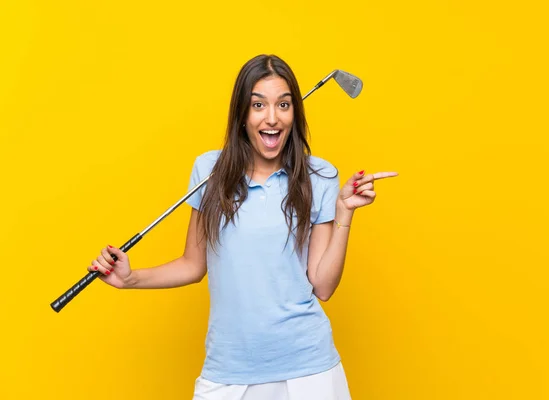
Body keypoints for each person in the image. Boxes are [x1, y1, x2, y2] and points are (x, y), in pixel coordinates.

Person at [87, 54, 397, 400]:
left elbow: (322, 286)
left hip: (308, 369)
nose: (272, 117)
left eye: (283, 104)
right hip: (228, 370)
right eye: (258, 105)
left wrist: (344, 211)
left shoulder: (319, 175)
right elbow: (193, 265)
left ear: (295, 113)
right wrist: (130, 279)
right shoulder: (209, 171)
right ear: (242, 116)